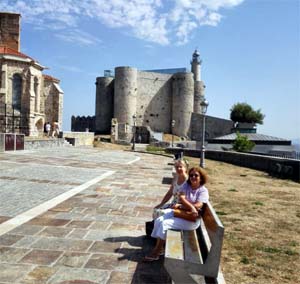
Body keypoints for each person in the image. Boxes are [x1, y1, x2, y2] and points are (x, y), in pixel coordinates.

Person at [144, 166, 209, 261]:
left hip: (191, 220)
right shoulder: (186, 185)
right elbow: (182, 198)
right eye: (191, 175)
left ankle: (156, 252)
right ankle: (160, 248)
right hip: (181, 213)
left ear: (201, 178)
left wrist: (182, 206)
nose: (193, 177)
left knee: (164, 224)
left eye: (196, 175)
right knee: (158, 220)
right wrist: (189, 206)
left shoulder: (203, 191)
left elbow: (198, 205)